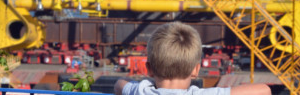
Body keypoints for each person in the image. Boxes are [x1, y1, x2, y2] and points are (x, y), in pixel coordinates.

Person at [114, 22, 272, 95]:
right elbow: (264, 90)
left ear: (148, 69)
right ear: (196, 70)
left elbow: (119, 85)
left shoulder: (140, 91)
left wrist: (143, 84)